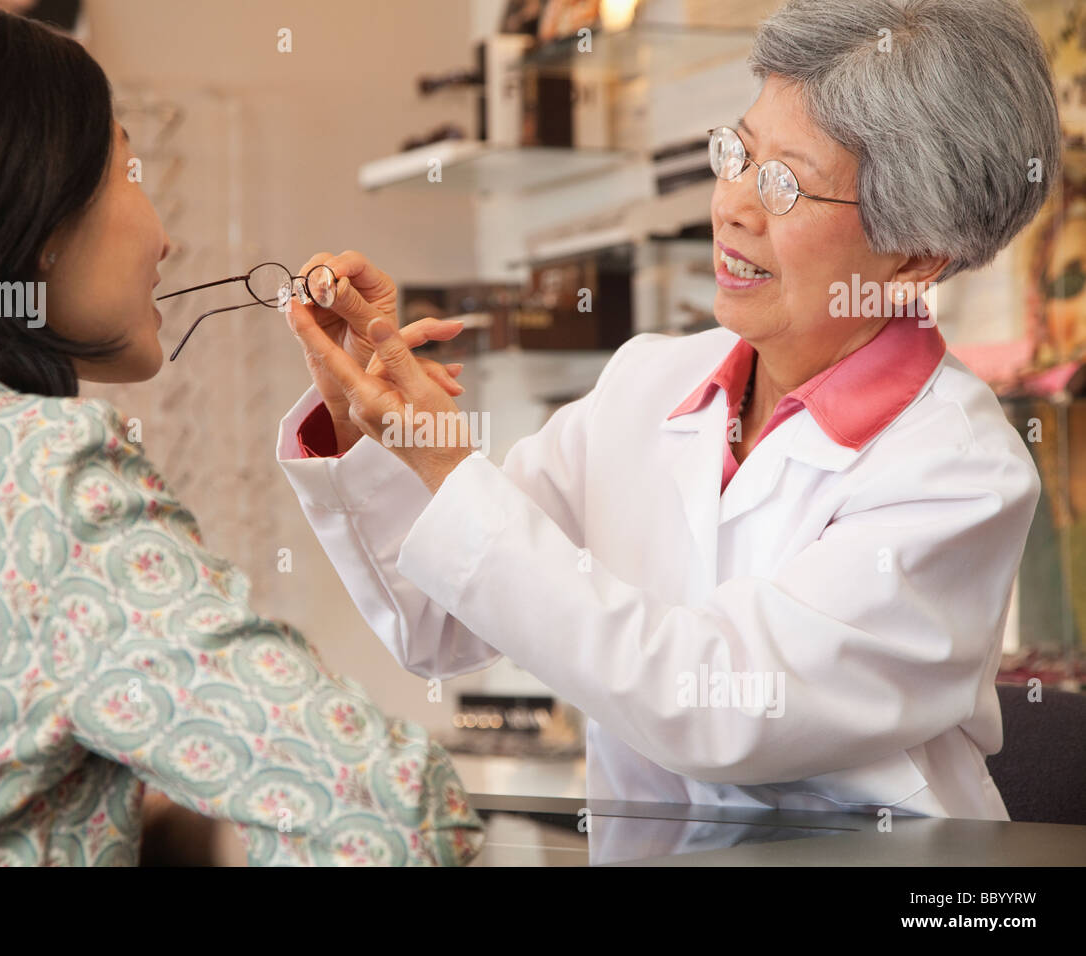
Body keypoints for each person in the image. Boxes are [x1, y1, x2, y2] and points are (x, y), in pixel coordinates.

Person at [278, 0, 1059, 858]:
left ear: (914, 254)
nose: (732, 208)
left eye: (785, 184)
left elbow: (718, 705)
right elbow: (441, 621)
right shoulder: (650, 383)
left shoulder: (959, 469)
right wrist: (369, 429)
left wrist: (447, 462)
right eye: (740, 153)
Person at [0, 1, 483, 867]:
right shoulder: (35, 479)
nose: (166, 235)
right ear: (26, 213)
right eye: (128, 172)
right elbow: (394, 815)